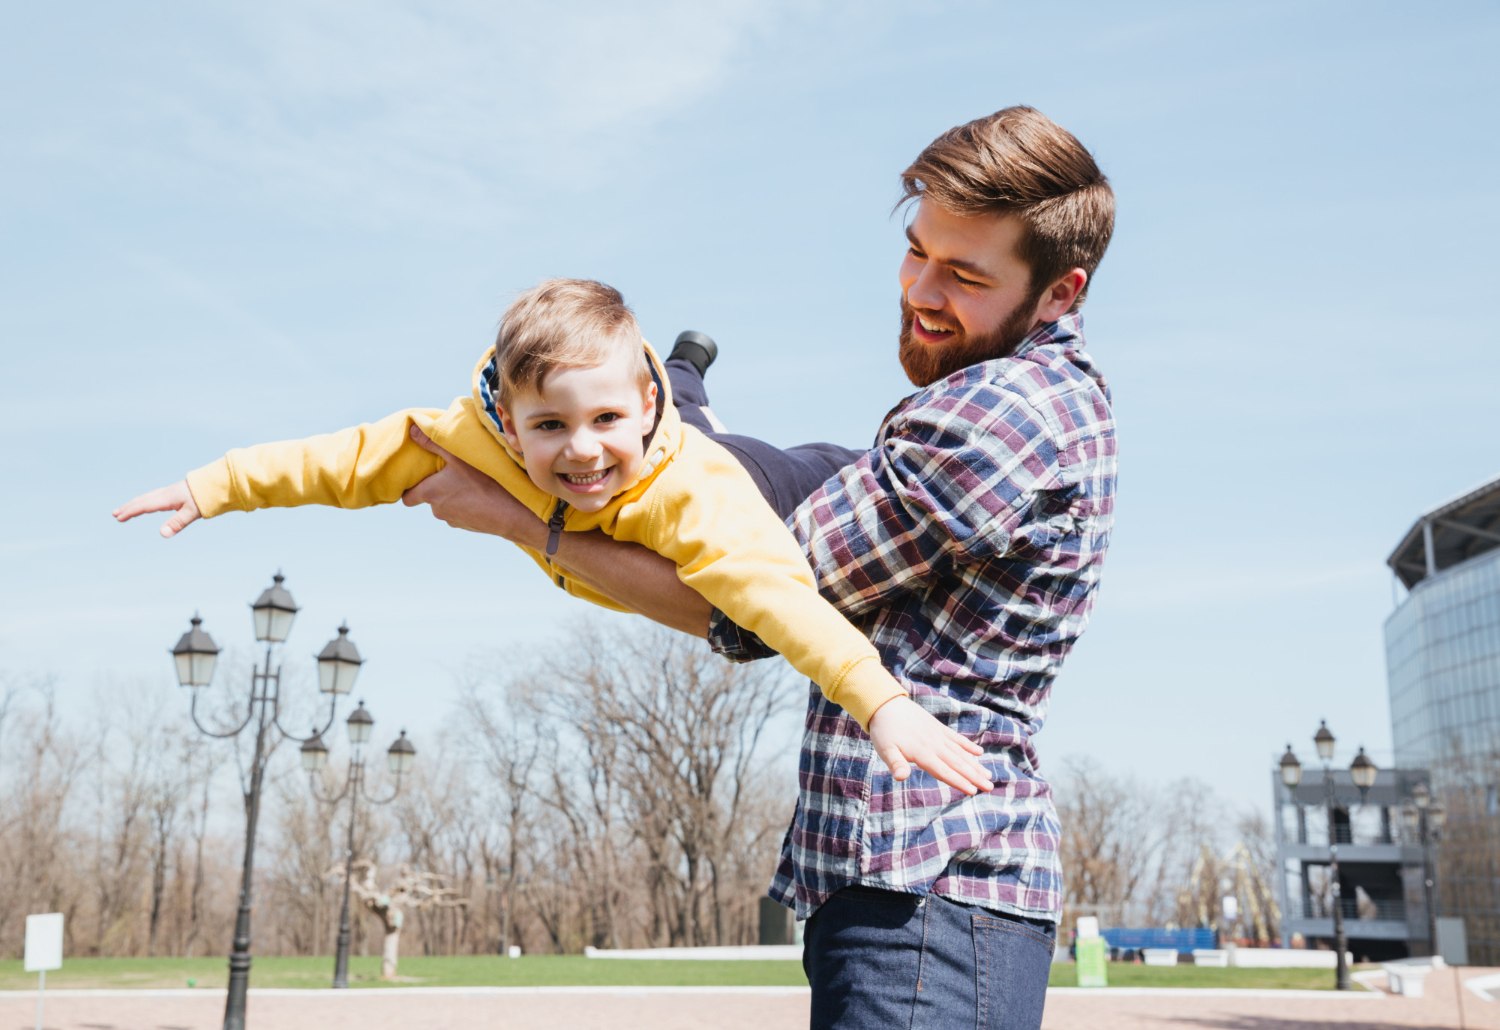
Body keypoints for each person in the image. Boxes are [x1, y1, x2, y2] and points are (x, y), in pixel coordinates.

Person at [399, 106, 1117, 1029]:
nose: (920, 289)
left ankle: (685, 409)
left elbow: (737, 602)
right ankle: (688, 411)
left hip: (926, 895)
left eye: (965, 275)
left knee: (729, 467)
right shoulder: (1022, 400)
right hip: (919, 896)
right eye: (917, 251)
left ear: (1060, 292)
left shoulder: (992, 421)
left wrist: (514, 517)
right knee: (751, 464)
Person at [113, 278, 992, 795]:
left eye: (605, 417)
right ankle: (684, 366)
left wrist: (881, 700)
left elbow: (777, 603)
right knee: (669, 413)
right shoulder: (465, 432)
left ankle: (684, 373)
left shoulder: (700, 497)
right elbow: (337, 460)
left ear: (638, 406)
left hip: (773, 480)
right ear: (504, 414)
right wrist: (214, 485)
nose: (580, 453)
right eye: (548, 427)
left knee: (768, 457)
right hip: (657, 417)